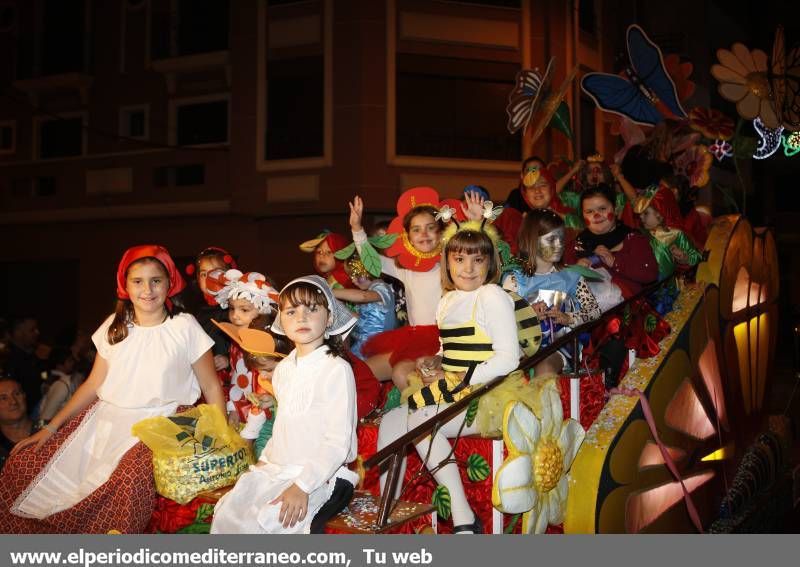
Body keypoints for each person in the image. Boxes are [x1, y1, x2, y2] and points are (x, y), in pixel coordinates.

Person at [0, 245, 226, 533]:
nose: (148, 289)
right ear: (125, 287)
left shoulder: (184, 326)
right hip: (105, 421)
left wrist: (220, 437)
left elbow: (210, 385)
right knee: (24, 466)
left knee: (128, 478)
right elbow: (94, 384)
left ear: (170, 283)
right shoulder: (114, 327)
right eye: (138, 281)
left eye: (156, 280)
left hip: (164, 424)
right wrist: (51, 427)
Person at [377, 221, 520, 534]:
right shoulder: (447, 300)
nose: (467, 268)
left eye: (477, 260)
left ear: (489, 264)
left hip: (486, 391)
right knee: (391, 421)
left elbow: (509, 359)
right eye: (459, 259)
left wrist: (458, 376)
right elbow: (447, 348)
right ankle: (387, 510)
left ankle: (463, 517)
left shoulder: (492, 295)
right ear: (448, 263)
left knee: (420, 421)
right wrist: (434, 361)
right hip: (454, 387)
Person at [211, 275, 359, 534]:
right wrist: (263, 464)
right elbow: (283, 428)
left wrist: (301, 485)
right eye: (292, 311)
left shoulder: (336, 369)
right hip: (279, 468)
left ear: (330, 317)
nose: (301, 317)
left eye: (312, 309)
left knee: (273, 520)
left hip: (322, 475)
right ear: (282, 320)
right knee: (230, 512)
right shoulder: (284, 369)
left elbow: (338, 442)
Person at [502, 209, 602, 376]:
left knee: (545, 368)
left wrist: (569, 318)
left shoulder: (572, 277)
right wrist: (528, 316)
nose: (559, 245)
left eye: (561, 239)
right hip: (518, 349)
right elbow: (501, 321)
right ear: (531, 240)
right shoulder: (513, 280)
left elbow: (594, 311)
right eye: (551, 239)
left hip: (559, 348)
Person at [206, 269, 280, 427]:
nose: (235, 315)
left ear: (265, 309)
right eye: (232, 308)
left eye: (244, 310)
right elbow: (238, 380)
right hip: (245, 413)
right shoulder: (236, 341)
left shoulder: (272, 345)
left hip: (270, 417)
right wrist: (233, 409)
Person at [566, 184, 659, 299]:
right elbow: (560, 280)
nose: (596, 215)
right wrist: (575, 270)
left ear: (615, 209)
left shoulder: (633, 239)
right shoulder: (576, 245)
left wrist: (615, 262)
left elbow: (651, 274)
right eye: (589, 211)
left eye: (602, 209)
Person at [185, 246, 239, 373]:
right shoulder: (193, 311)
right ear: (198, 279)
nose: (209, 278)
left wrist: (228, 359)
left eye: (217, 273)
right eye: (203, 274)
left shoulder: (239, 308)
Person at [333, 256, 397, 360]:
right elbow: (361, 321)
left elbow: (363, 297)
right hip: (362, 346)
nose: (353, 280)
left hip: (376, 349)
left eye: (356, 275)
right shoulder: (369, 292)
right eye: (351, 276)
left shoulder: (382, 287)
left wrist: (330, 292)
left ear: (368, 270)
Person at [635, 182, 702, 280]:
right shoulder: (642, 234)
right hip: (648, 285)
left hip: (669, 288)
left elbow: (696, 257)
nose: (641, 217)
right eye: (640, 214)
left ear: (660, 213)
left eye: (645, 213)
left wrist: (685, 258)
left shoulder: (674, 234)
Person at [4, 317, 44, 413]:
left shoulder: (33, 356)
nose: (37, 333)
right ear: (18, 333)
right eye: (32, 330)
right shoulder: (6, 359)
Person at [37, 347, 82, 423]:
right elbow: (45, 415)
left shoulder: (52, 376)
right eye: (69, 361)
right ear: (59, 364)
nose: (72, 363)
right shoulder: (60, 381)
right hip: (44, 419)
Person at [0, 378, 36, 472]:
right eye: (3, 398)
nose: (13, 402)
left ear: (24, 396)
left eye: (17, 394)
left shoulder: (50, 430)